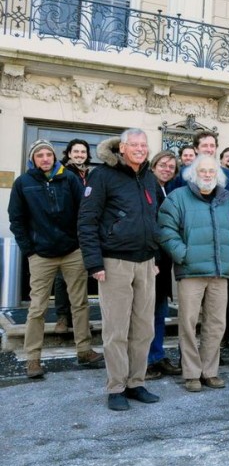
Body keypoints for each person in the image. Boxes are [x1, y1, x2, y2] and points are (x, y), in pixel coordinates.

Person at [78, 129, 160, 411]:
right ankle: (116, 387)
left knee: (144, 328)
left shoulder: (149, 176)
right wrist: (94, 263)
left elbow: (153, 219)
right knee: (116, 329)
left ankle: (137, 382)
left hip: (146, 263)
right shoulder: (102, 175)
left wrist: (155, 257)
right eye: (134, 145)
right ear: (122, 148)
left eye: (143, 145)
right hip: (115, 263)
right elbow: (87, 220)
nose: (140, 149)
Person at [8, 139, 103, 379]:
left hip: (72, 251)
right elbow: (16, 219)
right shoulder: (23, 183)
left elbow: (84, 210)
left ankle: (84, 350)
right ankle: (33, 358)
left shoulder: (68, 179)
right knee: (37, 308)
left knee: (80, 304)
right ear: (33, 159)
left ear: (54, 156)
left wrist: (82, 242)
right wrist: (29, 249)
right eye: (39, 155)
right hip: (41, 254)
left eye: (48, 154)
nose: (44, 158)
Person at [158, 155, 229, 392]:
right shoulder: (178, 198)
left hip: (219, 271)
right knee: (188, 323)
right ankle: (192, 373)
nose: (207, 175)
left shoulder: (226, 200)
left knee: (216, 324)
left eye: (211, 171)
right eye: (202, 171)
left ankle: (209, 371)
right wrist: (182, 254)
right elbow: (166, 229)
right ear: (193, 175)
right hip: (190, 272)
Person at [146, 151, 182, 380]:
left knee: (159, 313)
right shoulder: (146, 187)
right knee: (144, 315)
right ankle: (144, 361)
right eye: (163, 164)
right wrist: (152, 258)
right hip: (150, 260)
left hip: (163, 262)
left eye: (171, 166)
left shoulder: (168, 190)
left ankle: (157, 356)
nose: (167, 169)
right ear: (153, 165)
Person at [53, 138, 94, 333]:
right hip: (66, 231)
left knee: (80, 276)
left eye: (83, 152)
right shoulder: (62, 173)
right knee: (63, 277)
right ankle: (62, 317)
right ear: (69, 154)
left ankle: (79, 321)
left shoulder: (90, 175)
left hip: (85, 231)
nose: (79, 155)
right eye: (76, 152)